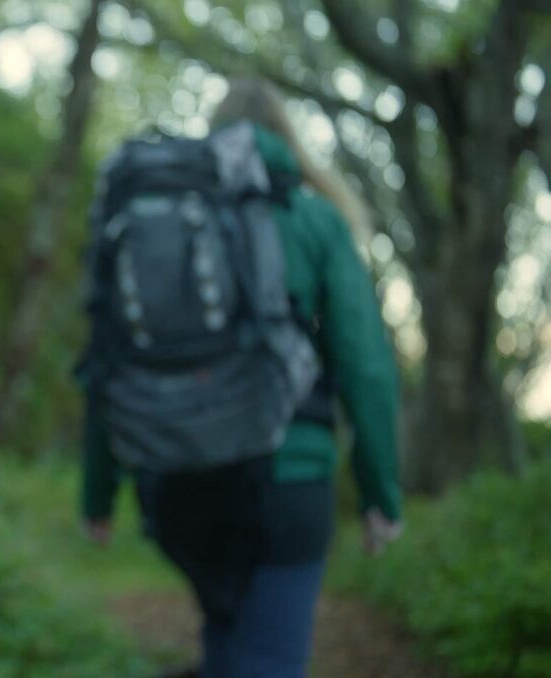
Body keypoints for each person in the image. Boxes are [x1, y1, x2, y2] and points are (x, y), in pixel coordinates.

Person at [81, 78, 403, 678]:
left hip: (175, 477)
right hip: (288, 478)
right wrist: (381, 492)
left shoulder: (158, 222)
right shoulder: (313, 218)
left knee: (228, 645)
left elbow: (107, 360)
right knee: (266, 659)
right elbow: (364, 364)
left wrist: (97, 494)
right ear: (287, 138)